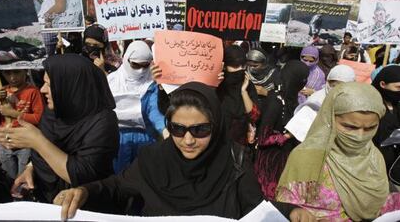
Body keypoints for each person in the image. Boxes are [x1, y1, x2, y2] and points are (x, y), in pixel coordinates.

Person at [53, 82, 315, 222]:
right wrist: (84, 192)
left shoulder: (235, 162)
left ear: (216, 126)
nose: (188, 140)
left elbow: (256, 208)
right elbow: (117, 187)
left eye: (200, 130)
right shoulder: (153, 159)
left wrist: (289, 211)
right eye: (178, 129)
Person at [0, 54, 119, 203]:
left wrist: (37, 140)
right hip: (47, 198)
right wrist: (31, 169)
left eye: (50, 85)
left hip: (82, 205)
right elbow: (46, 151)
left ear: (70, 86)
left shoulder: (103, 121)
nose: (43, 90)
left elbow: (82, 174)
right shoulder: (54, 112)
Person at [276, 82, 400, 220]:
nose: (360, 136)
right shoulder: (306, 157)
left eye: (370, 128)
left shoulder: (374, 157)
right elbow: (288, 208)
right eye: (350, 127)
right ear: (330, 118)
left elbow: (381, 203)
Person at [254, 60, 309, 200]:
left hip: (285, 159)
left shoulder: (291, 99)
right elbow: (262, 139)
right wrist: (288, 136)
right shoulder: (276, 102)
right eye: (302, 80)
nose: (304, 83)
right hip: (271, 163)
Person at [108, 41, 165, 172]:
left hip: (147, 138)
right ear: (126, 59)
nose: (140, 71)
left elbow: (155, 111)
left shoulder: (153, 81)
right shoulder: (111, 81)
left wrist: (165, 130)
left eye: (145, 66)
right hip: (119, 140)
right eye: (135, 65)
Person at [0, 70, 44, 180]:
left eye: (16, 72)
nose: (12, 77)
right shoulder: (2, 92)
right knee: (9, 179)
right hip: (5, 146)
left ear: (25, 71)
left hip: (25, 145)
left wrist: (13, 113)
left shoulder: (33, 91)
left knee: (24, 180)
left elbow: (39, 118)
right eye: (7, 74)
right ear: (2, 74)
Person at [217, 45, 260, 146]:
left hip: (239, 146)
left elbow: (254, 116)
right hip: (218, 142)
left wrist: (243, 91)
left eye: (242, 65)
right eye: (235, 66)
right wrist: (215, 84)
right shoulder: (218, 85)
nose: (240, 69)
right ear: (224, 65)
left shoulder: (248, 85)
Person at [372, 66, 400, 186]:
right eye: (398, 87)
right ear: (383, 84)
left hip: (393, 169)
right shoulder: (371, 104)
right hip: (373, 168)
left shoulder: (397, 104)